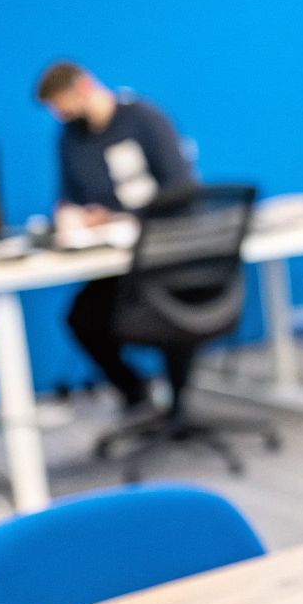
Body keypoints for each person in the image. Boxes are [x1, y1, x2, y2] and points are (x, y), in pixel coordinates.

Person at [35, 61, 198, 413]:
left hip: (166, 251)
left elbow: (183, 189)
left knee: (170, 313)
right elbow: (68, 196)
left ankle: (178, 404)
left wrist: (121, 216)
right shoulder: (70, 137)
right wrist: (70, 216)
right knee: (82, 318)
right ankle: (135, 391)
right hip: (115, 260)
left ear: (83, 87)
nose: (62, 116)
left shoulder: (144, 120)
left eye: (63, 106)